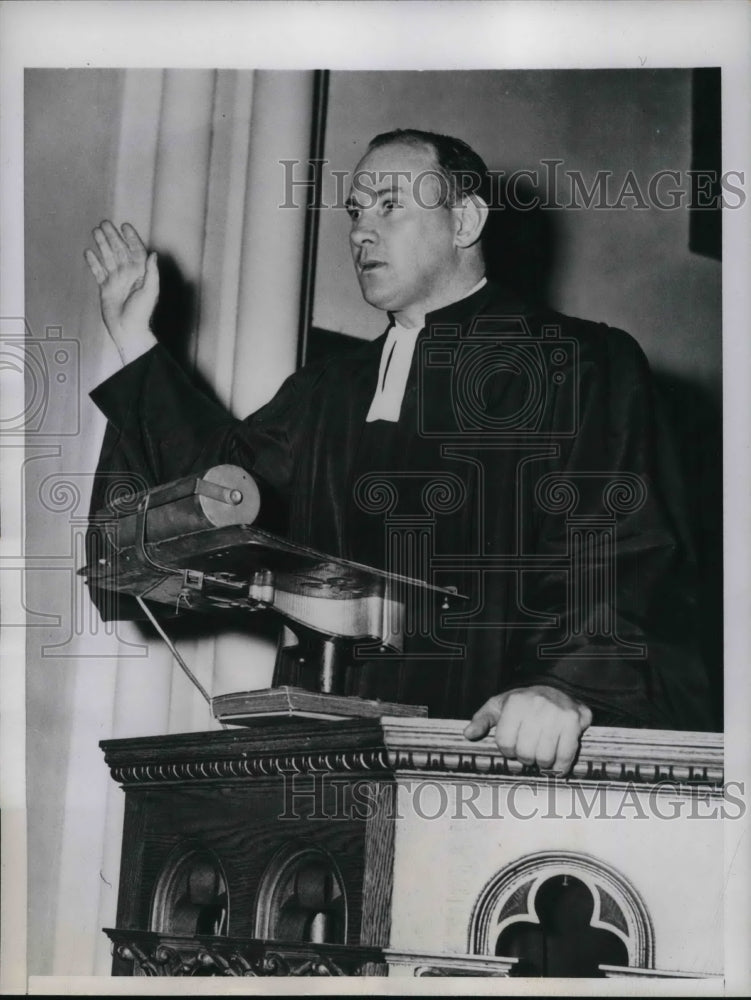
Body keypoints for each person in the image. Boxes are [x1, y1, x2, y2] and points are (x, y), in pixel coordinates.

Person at [84, 129, 714, 775]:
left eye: (388, 206)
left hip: (502, 732)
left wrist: (570, 687)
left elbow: (621, 550)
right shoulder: (326, 389)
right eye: (355, 211)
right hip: (339, 745)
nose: (360, 231)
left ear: (464, 219)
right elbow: (219, 490)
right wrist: (136, 341)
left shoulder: (579, 361)